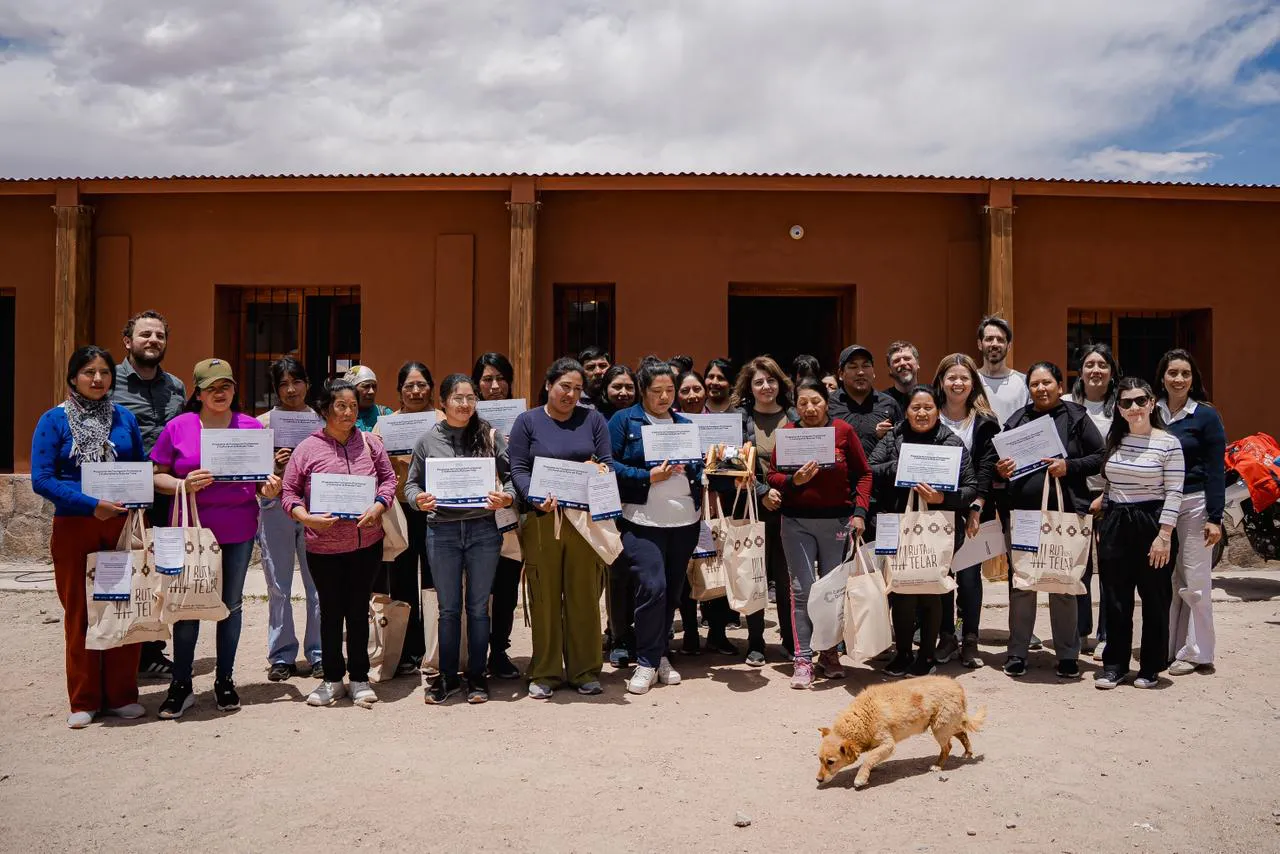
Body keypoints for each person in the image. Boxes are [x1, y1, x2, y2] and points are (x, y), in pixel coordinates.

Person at [151, 359, 282, 719]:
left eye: (225, 385)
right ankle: (181, 684)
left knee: (231, 606)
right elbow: (156, 476)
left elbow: (261, 479)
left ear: (234, 389)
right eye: (211, 387)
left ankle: (224, 680)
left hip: (238, 530)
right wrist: (182, 484)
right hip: (192, 530)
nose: (219, 392)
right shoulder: (179, 427)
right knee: (188, 605)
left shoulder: (250, 426)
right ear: (198, 392)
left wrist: (268, 487)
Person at [33, 346, 148, 728]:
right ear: (72, 378)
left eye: (104, 372)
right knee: (80, 613)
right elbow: (42, 479)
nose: (97, 379)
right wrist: (89, 504)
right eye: (88, 372)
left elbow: (138, 467)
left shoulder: (125, 419)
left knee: (121, 607)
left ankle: (121, 694)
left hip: (118, 525)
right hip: (75, 526)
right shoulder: (53, 421)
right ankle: (84, 698)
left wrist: (135, 499)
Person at [282, 380, 397, 707]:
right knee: (330, 613)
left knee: (359, 612)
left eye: (353, 406)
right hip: (323, 548)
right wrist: (306, 518)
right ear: (324, 410)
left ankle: (359, 678)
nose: (348, 412)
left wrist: (378, 505)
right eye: (340, 406)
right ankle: (332, 679)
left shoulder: (370, 444)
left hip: (366, 545)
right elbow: (288, 493)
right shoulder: (307, 449)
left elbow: (389, 480)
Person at [406, 374, 515, 705]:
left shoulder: (489, 436)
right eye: (458, 398)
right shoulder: (426, 441)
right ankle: (448, 678)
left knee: (479, 608)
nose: (465, 404)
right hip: (443, 532)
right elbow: (410, 485)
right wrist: (418, 499)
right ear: (443, 402)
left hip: (484, 530)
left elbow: (511, 479)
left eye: (470, 398)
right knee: (448, 609)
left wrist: (506, 498)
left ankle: (478, 677)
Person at [508, 358, 614, 699]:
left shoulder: (593, 419)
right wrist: (534, 498)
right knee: (545, 596)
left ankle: (585, 670)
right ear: (549, 384)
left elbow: (607, 464)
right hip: (542, 519)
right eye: (564, 387)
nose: (570, 394)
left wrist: (596, 469)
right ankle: (545, 672)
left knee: (584, 594)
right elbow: (519, 468)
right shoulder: (528, 421)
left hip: (584, 521)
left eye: (577, 389)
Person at [995, 361, 1104, 680]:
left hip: (1067, 512)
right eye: (1034, 384)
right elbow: (1002, 461)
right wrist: (1003, 469)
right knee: (1023, 584)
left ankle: (1068, 655)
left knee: (1063, 582)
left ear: (1059, 384)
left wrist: (1068, 466)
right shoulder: (1018, 419)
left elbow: (1100, 456)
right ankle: (1017, 652)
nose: (1041, 389)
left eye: (1047, 383)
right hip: (1024, 515)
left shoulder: (1076, 417)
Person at [766, 379, 872, 689]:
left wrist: (859, 513)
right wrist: (793, 481)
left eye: (816, 401)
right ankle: (802, 658)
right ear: (795, 407)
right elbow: (771, 474)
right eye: (802, 404)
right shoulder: (787, 434)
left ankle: (829, 653)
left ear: (826, 402)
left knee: (831, 592)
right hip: (796, 522)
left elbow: (863, 473)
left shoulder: (843, 432)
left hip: (836, 523)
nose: (810, 409)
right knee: (801, 589)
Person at [608, 362, 705, 694]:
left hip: (684, 522)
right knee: (653, 586)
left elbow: (698, 466)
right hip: (641, 519)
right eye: (656, 391)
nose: (664, 397)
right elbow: (608, 464)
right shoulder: (624, 421)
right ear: (641, 390)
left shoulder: (684, 424)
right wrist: (647, 476)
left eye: (669, 390)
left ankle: (660, 654)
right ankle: (647, 662)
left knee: (672, 591)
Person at [868, 385, 977, 677]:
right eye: (916, 408)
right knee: (900, 590)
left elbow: (970, 488)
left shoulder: (950, 443)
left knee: (930, 590)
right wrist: (902, 466)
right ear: (907, 411)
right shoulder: (894, 438)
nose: (922, 413)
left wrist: (943, 498)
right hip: (897, 525)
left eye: (928, 408)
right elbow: (871, 469)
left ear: (937, 411)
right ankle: (902, 652)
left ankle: (926, 656)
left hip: (938, 528)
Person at [1093, 377, 1185, 690]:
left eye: (1140, 401)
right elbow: (1111, 483)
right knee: (1116, 598)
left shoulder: (1168, 443)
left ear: (1151, 402)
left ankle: (1150, 667)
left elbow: (1175, 492)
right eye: (1126, 403)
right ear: (1118, 408)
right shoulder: (1115, 438)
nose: (1134, 408)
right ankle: (1115, 666)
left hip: (1153, 522)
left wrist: (1164, 535)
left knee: (1155, 597)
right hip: (1116, 522)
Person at [113, 309, 184, 678]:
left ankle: (151, 650)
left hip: (167, 494)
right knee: (125, 571)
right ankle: (120, 648)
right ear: (128, 342)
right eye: (145, 335)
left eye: (159, 335)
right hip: (123, 495)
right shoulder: (110, 383)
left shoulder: (176, 386)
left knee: (162, 572)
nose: (153, 341)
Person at [1157, 349, 1225, 677]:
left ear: (1193, 378)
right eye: (1173, 373)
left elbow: (1215, 469)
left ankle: (1198, 652)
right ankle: (1168, 646)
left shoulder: (1206, 416)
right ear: (1162, 377)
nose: (1179, 379)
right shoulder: (1151, 412)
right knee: (1165, 579)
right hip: (1159, 505)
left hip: (1195, 503)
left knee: (1194, 579)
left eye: (1185, 373)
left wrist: (1215, 516)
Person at [931, 354, 1000, 668]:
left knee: (970, 578)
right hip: (938, 510)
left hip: (974, 509)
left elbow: (987, 468)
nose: (957, 383)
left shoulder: (986, 421)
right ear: (941, 382)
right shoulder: (929, 414)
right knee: (943, 575)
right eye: (951, 377)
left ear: (973, 383)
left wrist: (976, 507)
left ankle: (969, 636)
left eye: (964, 378)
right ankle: (947, 635)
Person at [256, 356, 323, 681]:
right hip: (276, 509)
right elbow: (252, 474)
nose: (291, 389)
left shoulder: (321, 421)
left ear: (307, 384)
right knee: (278, 584)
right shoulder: (262, 424)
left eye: (296, 381)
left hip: (314, 509)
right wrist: (274, 464)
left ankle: (320, 653)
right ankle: (281, 655)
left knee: (318, 585)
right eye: (283, 384)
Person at [729, 356, 798, 664]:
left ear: (779, 383)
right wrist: (761, 492)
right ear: (750, 386)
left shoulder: (794, 416)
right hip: (752, 506)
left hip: (790, 507)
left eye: (771, 381)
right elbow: (731, 464)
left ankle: (788, 638)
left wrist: (781, 492)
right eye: (759, 382)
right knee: (754, 575)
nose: (766, 387)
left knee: (786, 580)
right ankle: (755, 640)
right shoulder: (739, 418)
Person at [376, 360, 436, 676]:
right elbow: (371, 462)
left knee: (435, 578)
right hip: (399, 511)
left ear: (431, 388)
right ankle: (407, 649)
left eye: (421, 384)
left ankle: (434, 648)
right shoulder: (386, 426)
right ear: (399, 391)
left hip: (438, 512)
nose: (415, 390)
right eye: (408, 385)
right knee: (401, 580)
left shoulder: (442, 420)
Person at [472, 352, 524, 679]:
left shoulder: (525, 419)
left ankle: (500, 651)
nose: (494, 386)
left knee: (506, 585)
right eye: (487, 379)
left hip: (509, 514)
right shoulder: (463, 420)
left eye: (500, 379)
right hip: (474, 516)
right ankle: (474, 653)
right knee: (477, 589)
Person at [1068, 343, 1120, 660]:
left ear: (1112, 372)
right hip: (1075, 496)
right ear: (1080, 370)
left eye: (1102, 364)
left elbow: (1126, 453)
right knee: (1078, 568)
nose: (1095, 370)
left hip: (1114, 495)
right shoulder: (1066, 404)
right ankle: (1079, 631)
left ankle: (1107, 635)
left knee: (1112, 569)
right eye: (1090, 364)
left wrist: (1107, 494)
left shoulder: (1122, 407)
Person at [828, 345, 903, 462]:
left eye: (866, 366)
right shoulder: (828, 404)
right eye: (853, 367)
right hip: (840, 477)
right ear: (841, 374)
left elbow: (901, 445)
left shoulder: (889, 404)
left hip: (878, 476)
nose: (860, 372)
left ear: (873, 372)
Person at [976, 316, 1030, 427]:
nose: (994, 344)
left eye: (1000, 340)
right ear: (980, 344)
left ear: (1008, 346)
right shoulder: (970, 380)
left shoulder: (1024, 382)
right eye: (989, 339)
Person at [343, 365, 392, 432]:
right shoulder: (341, 417)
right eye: (366, 386)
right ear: (352, 390)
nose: (372, 391)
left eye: (374, 386)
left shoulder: (385, 414)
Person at [884, 341, 921, 411]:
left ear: (917, 363)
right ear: (890, 369)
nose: (902, 363)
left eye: (907, 358)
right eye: (896, 361)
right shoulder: (881, 402)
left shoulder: (931, 397)